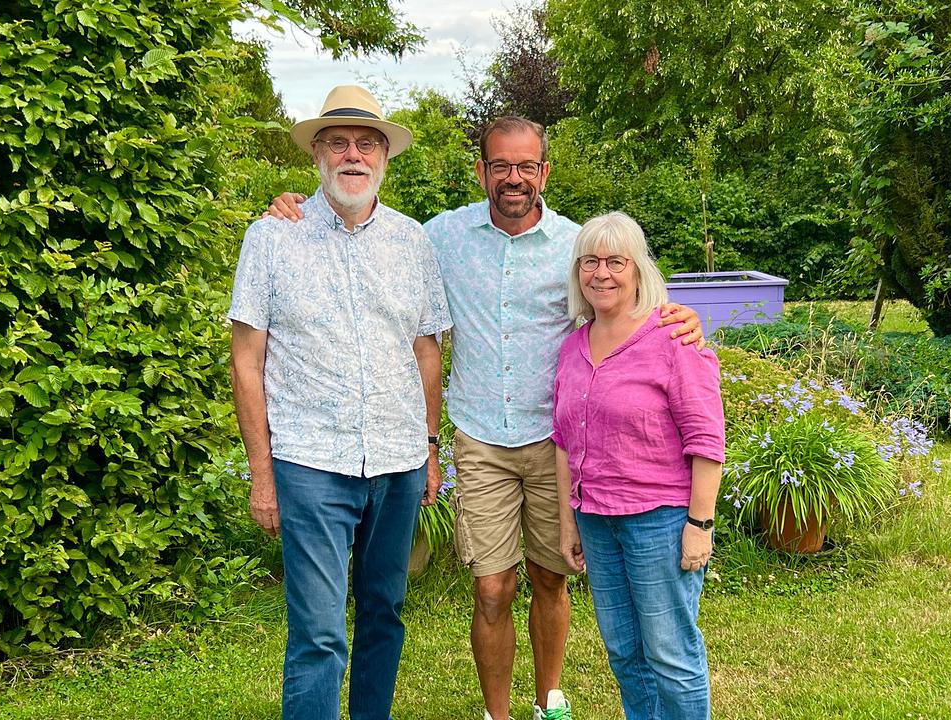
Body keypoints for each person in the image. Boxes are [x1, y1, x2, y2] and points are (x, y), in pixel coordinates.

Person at [266, 116, 703, 720]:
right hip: (481, 439)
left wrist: (680, 317)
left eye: (526, 166)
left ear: (544, 172)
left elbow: (622, 292)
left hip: (554, 441)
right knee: (493, 587)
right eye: (501, 166)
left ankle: (548, 702)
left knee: (551, 580)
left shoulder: (575, 246)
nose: (514, 177)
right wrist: (297, 205)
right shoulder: (438, 237)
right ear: (483, 171)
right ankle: (498, 715)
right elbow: (363, 226)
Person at [229, 85, 452, 720]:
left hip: (398, 461)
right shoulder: (273, 237)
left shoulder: (412, 242)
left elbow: (426, 352)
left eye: (366, 142)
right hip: (310, 461)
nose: (352, 154)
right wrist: (262, 474)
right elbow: (247, 361)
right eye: (337, 142)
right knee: (320, 633)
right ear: (318, 155)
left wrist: (431, 450)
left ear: (385, 155)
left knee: (384, 612)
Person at [552, 212, 724, 720]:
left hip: (660, 520)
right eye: (590, 262)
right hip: (597, 520)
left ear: (638, 271)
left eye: (615, 262)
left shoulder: (673, 338)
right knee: (625, 652)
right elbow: (563, 442)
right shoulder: (572, 346)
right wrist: (569, 522)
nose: (601, 273)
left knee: (671, 656)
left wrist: (699, 524)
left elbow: (707, 439)